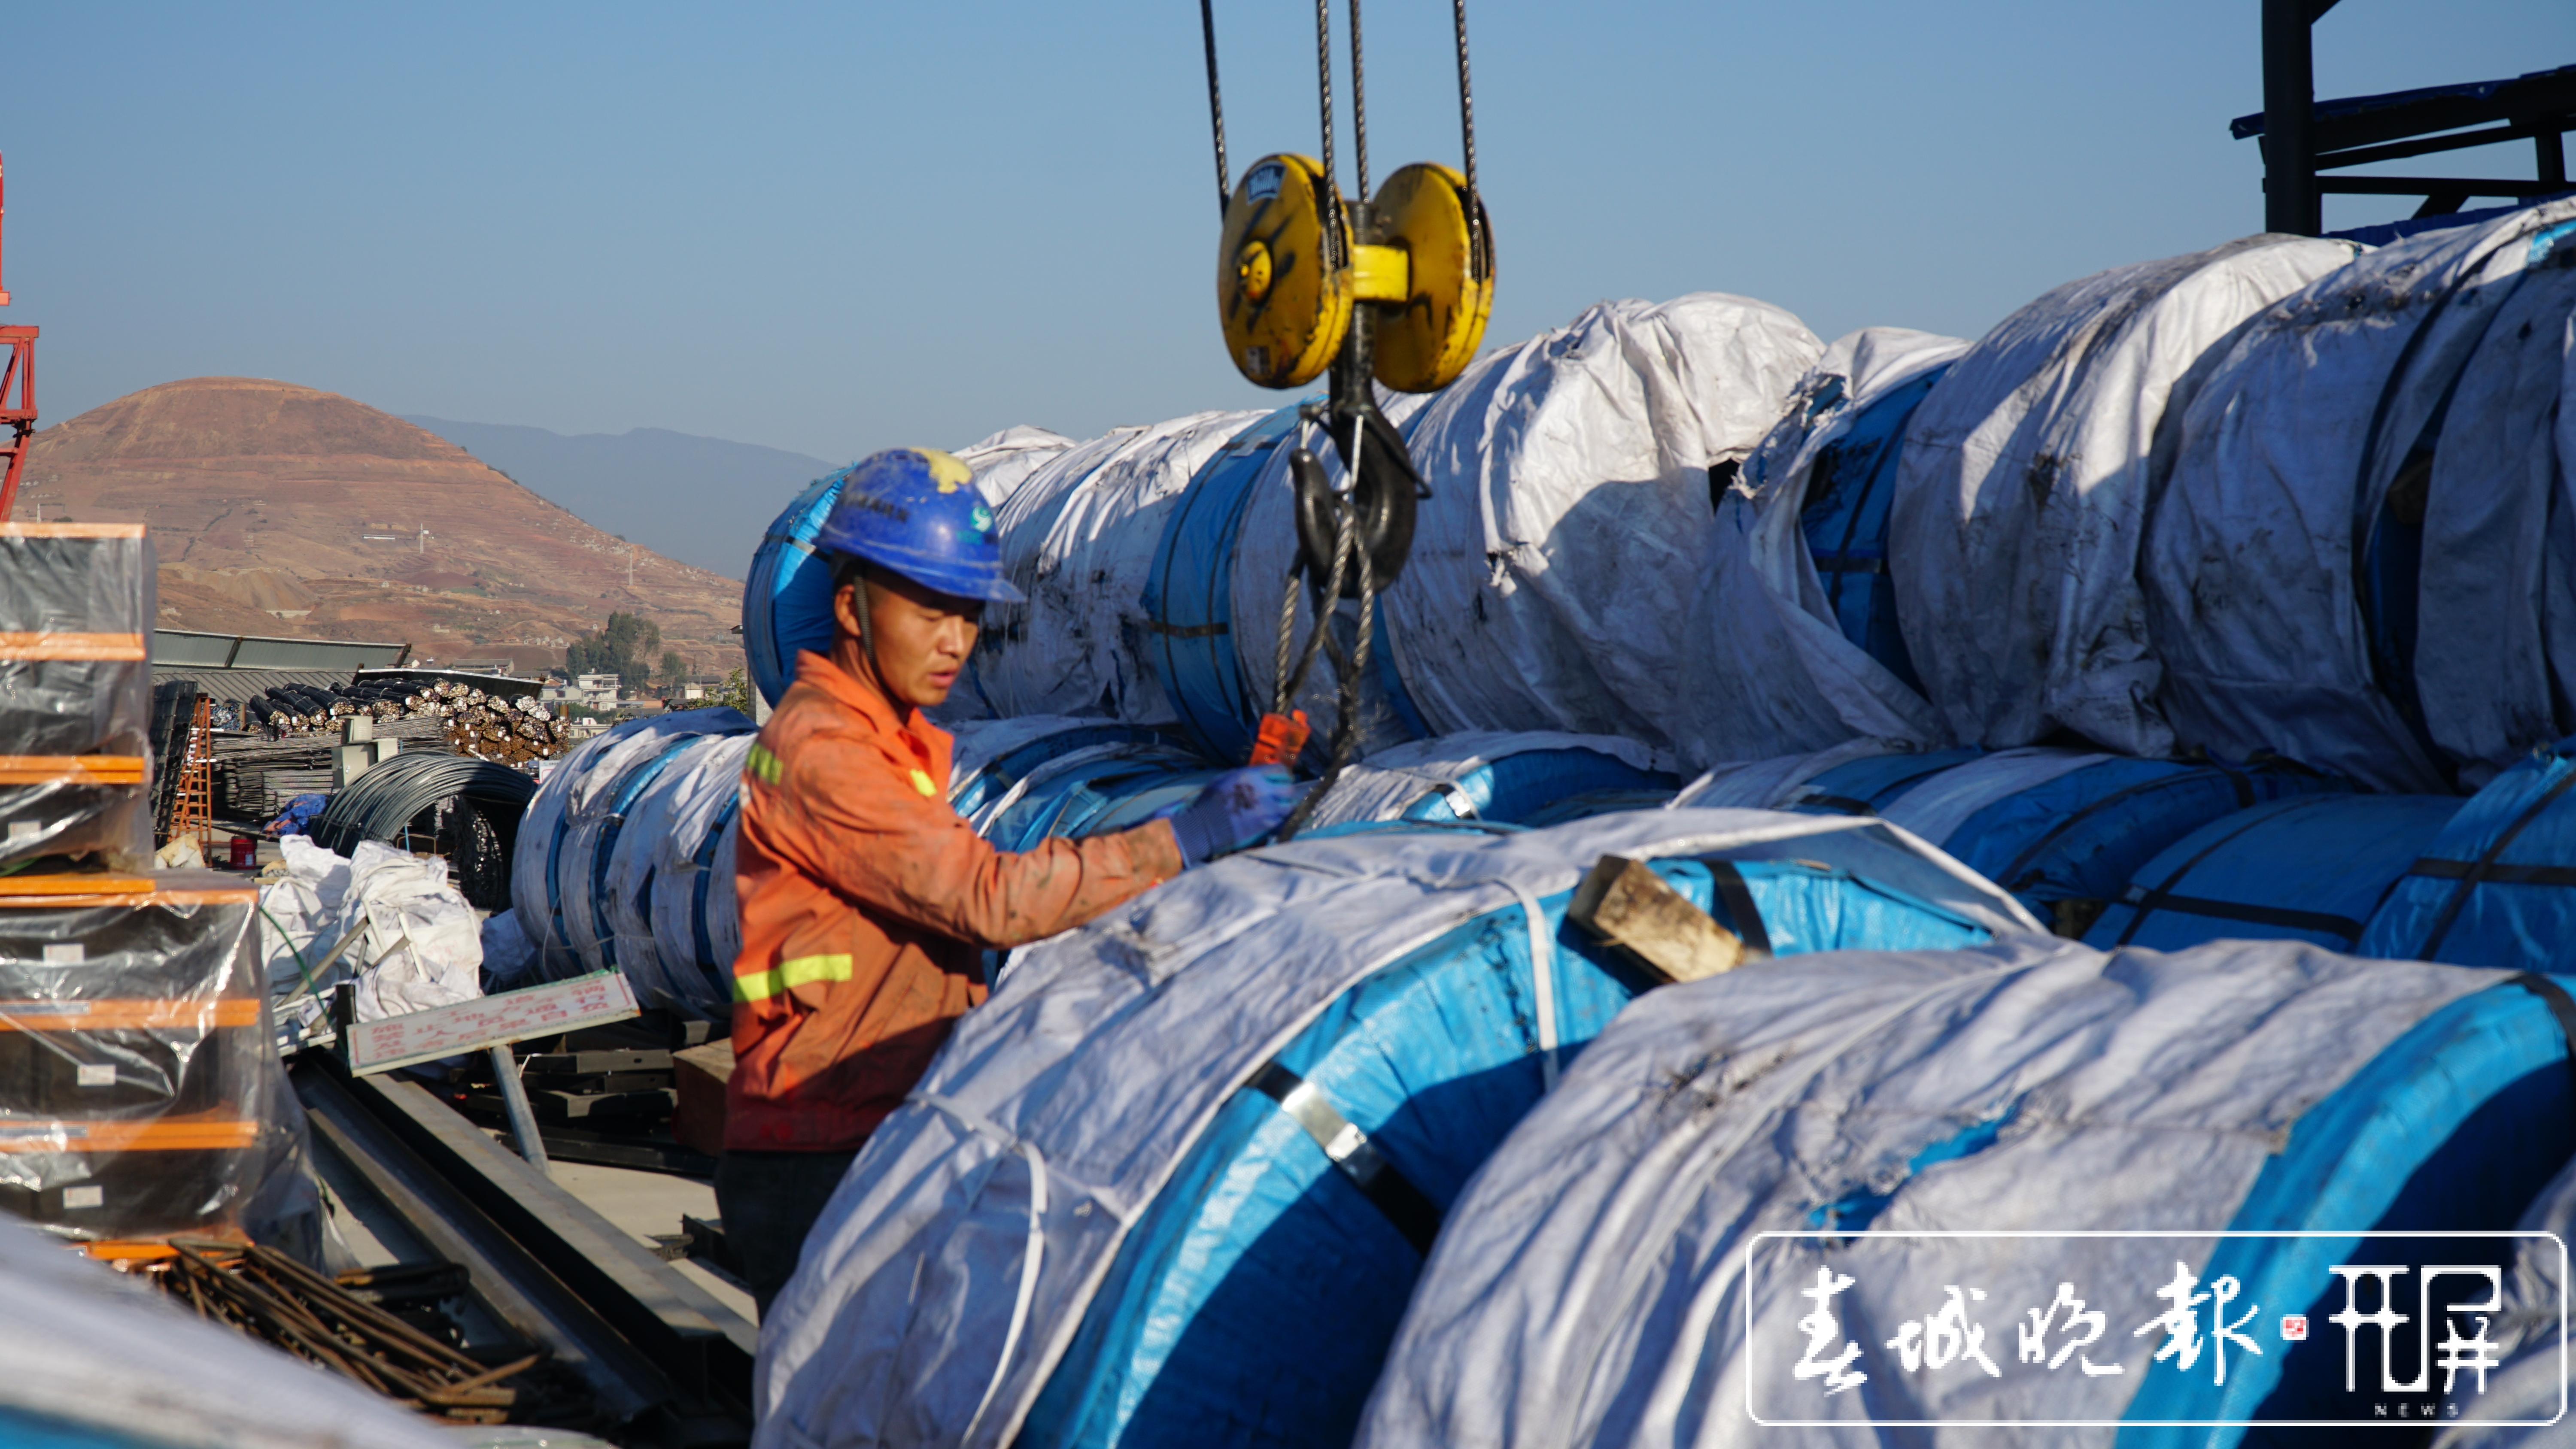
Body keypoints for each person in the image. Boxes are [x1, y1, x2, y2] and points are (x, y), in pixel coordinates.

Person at [717, 446, 1297, 1317]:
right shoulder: (827, 752)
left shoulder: (886, 741)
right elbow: (988, 897)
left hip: (865, 1126)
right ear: (850, 606)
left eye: (971, 612)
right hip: (817, 1147)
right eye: (931, 609)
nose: (958, 639)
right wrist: (1184, 833)